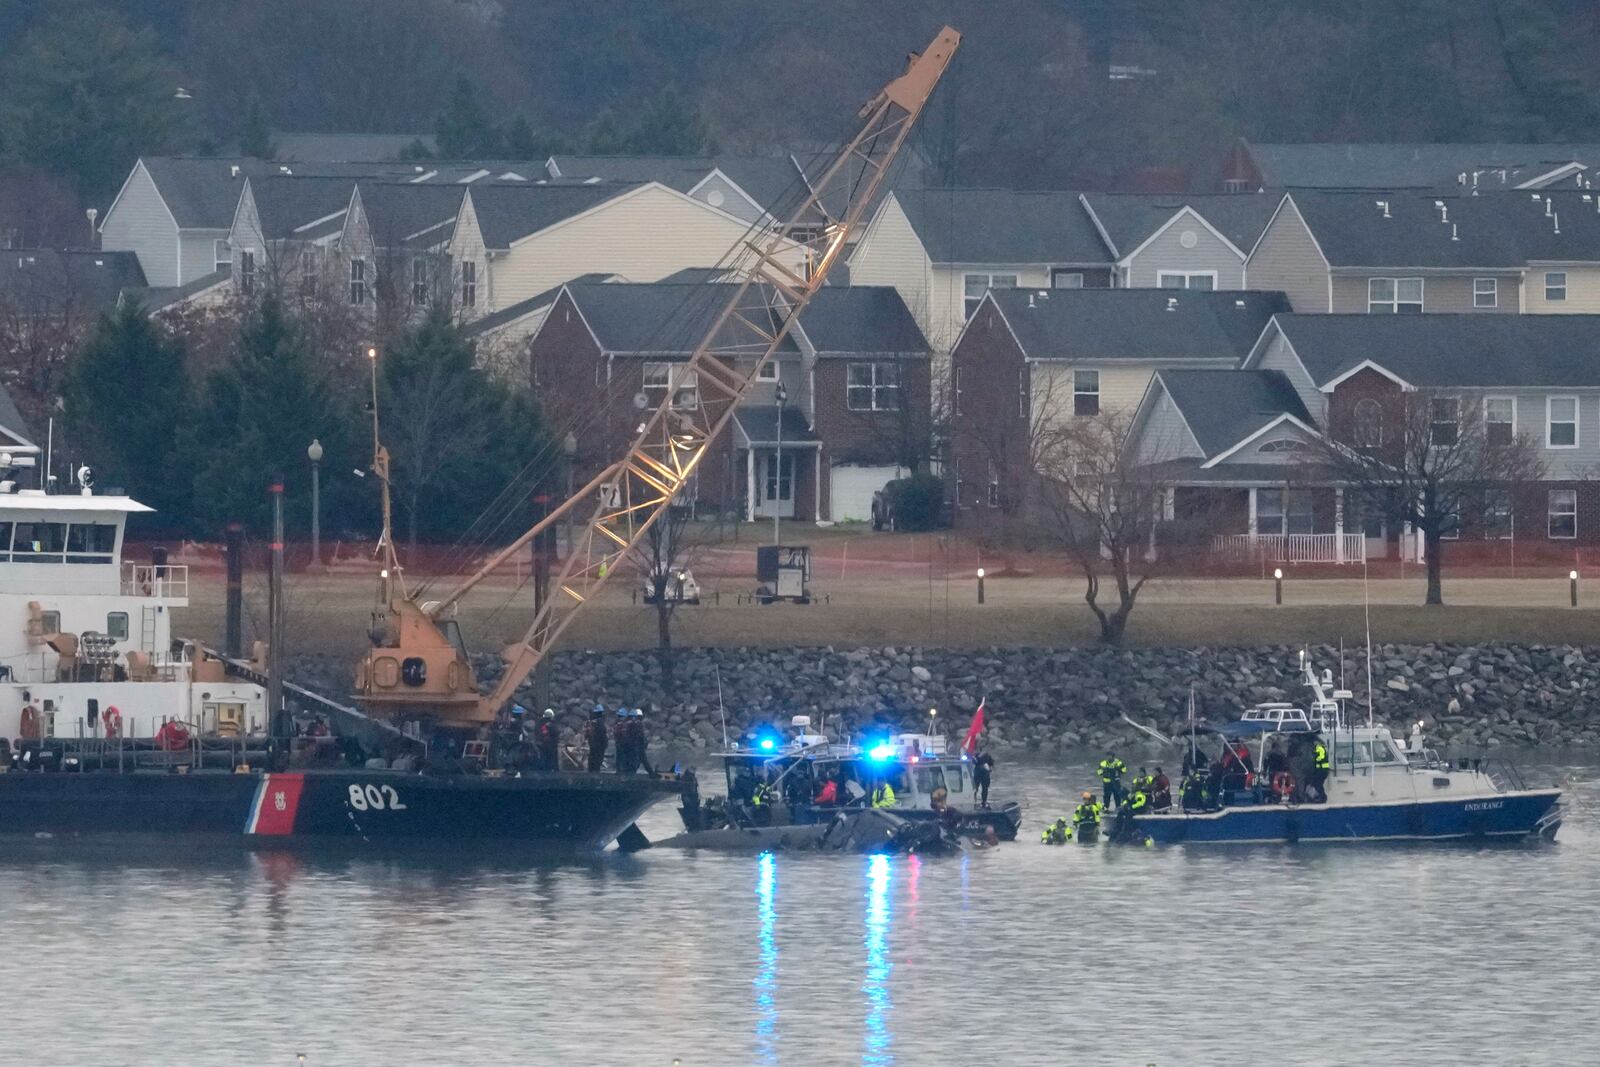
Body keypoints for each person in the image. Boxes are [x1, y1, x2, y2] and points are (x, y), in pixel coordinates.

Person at [584, 704, 609, 772]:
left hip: (593, 743)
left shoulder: (591, 722)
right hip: (599, 744)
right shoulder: (600, 723)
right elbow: (603, 734)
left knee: (592, 759)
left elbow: (587, 734)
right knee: (597, 760)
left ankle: (592, 772)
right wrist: (605, 743)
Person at [1309, 738, 1330, 802]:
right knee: (1318, 784)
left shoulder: (1319, 748)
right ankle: (1320, 797)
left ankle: (1322, 797)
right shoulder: (1320, 748)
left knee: (1318, 784)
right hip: (1321, 770)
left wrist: (1314, 759)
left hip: (1322, 770)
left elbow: (1321, 757)